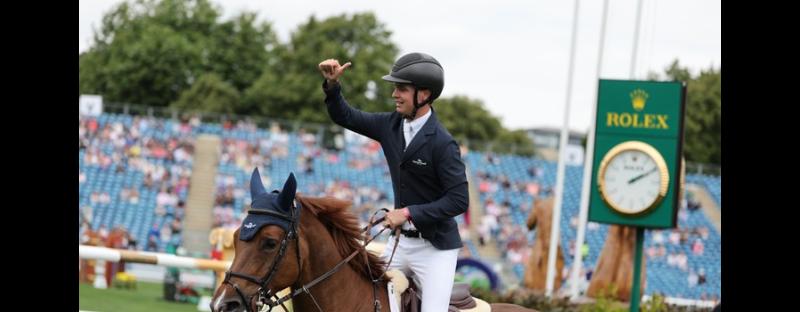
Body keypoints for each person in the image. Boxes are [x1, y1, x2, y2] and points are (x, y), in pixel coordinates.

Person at [319, 52, 469, 312]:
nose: (394, 94)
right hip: (400, 243)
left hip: (435, 249)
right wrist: (332, 86)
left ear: (424, 95)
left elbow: (459, 200)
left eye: (401, 88)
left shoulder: (443, 143)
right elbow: (346, 116)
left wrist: (410, 213)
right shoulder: (390, 125)